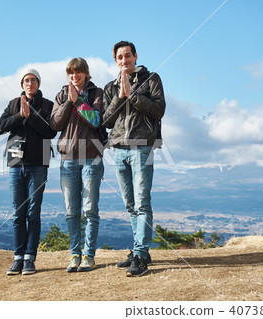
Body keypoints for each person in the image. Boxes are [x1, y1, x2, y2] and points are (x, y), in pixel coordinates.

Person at [103, 41, 166, 277]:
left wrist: (133, 95)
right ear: (115, 61)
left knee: (142, 203)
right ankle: (141, 250)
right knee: (130, 205)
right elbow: (106, 120)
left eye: (127, 56)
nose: (124, 60)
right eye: (119, 57)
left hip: (142, 147)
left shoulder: (152, 79)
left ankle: (140, 254)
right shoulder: (110, 87)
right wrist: (120, 96)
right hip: (118, 148)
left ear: (135, 56)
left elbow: (159, 110)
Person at [0, 68, 56, 275]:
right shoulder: (13, 104)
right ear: (22, 84)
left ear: (38, 83)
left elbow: (50, 131)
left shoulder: (47, 105)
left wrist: (30, 117)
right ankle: (18, 258)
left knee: (33, 213)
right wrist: (20, 116)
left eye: (33, 80)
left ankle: (30, 258)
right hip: (15, 164)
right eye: (26, 80)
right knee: (18, 214)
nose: (30, 83)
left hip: (38, 164)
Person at [50, 58, 105, 272]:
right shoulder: (61, 95)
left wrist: (79, 102)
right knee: (72, 211)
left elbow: (96, 120)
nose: (74, 76)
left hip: (92, 158)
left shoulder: (97, 93)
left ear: (86, 73)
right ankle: (75, 254)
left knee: (90, 209)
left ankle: (88, 256)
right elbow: (55, 124)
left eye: (78, 72)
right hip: (68, 160)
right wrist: (68, 102)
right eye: (71, 73)